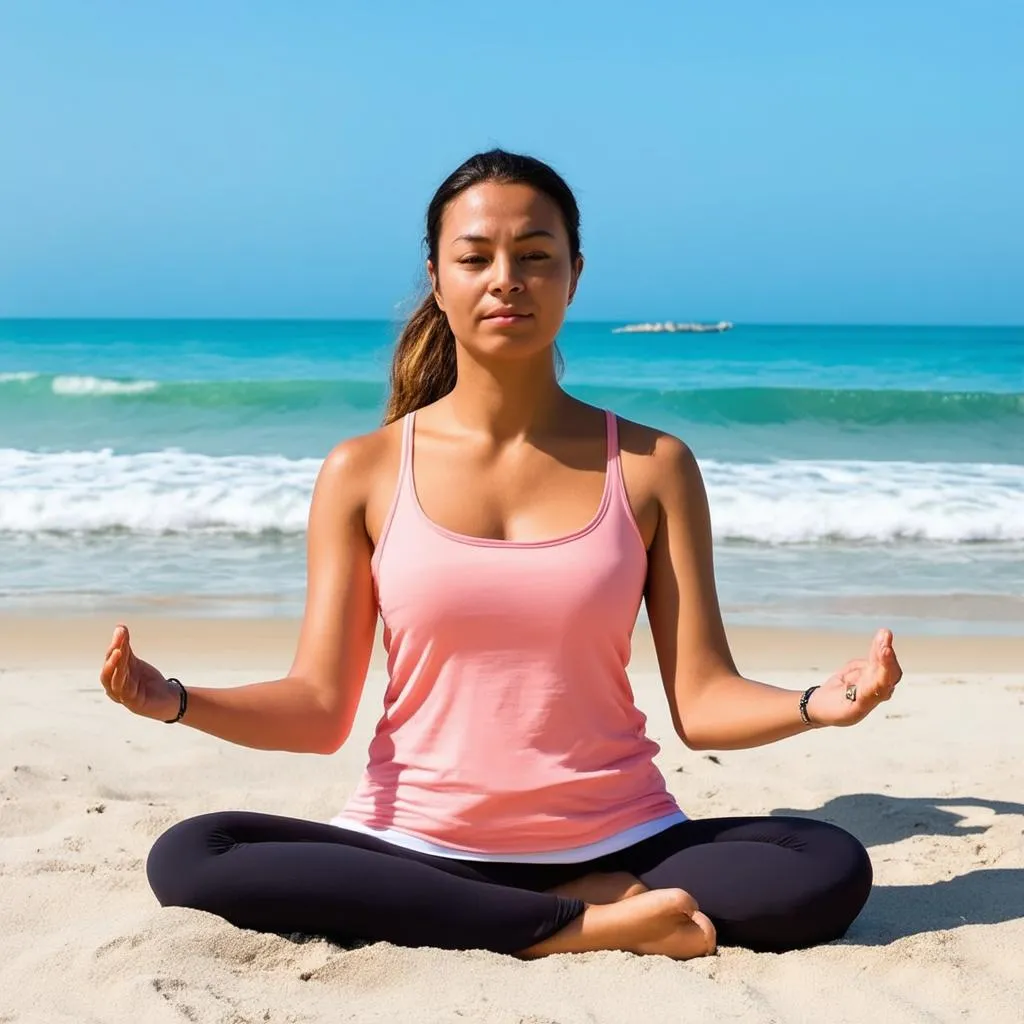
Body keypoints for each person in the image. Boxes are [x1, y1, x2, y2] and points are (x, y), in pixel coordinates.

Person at [99, 148, 903, 961]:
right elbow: (318, 708)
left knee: (825, 863)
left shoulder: (654, 467)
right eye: (476, 257)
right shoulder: (364, 470)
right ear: (437, 279)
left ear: (574, 275)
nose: (506, 278)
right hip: (414, 842)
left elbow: (702, 702)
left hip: (619, 841)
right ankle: (581, 927)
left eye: (536, 256)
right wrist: (174, 699)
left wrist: (815, 703)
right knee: (194, 855)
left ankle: (526, 909)